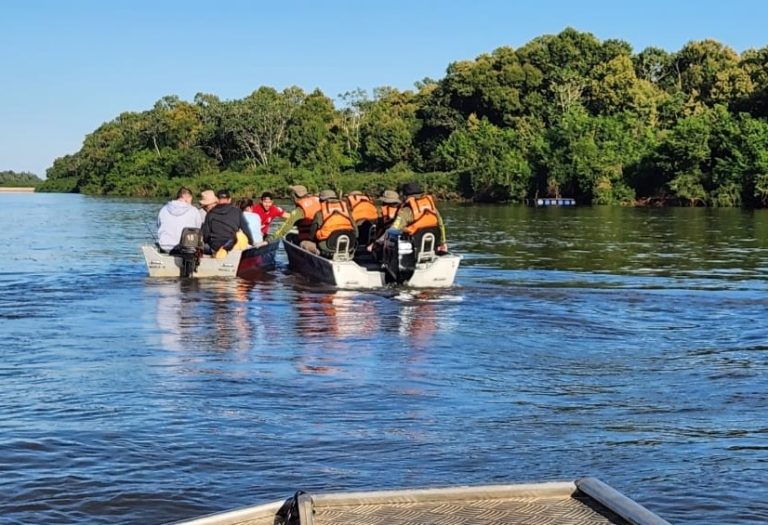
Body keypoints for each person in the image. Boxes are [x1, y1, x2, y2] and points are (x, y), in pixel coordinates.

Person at [368, 182, 447, 253]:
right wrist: (443, 243)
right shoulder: (432, 208)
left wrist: (376, 243)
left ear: (405, 196)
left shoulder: (406, 211)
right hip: (432, 245)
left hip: (412, 248)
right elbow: (441, 225)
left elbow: (393, 230)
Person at [303, 189, 358, 257]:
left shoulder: (319, 214)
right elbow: (356, 232)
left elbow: (311, 236)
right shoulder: (347, 212)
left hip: (327, 249)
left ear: (321, 201)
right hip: (348, 247)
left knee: (304, 244)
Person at [201, 189, 256, 253]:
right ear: (229, 199)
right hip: (232, 246)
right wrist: (251, 242)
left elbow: (205, 235)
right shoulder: (237, 212)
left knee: (201, 246)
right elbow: (246, 230)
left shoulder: (210, 213)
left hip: (215, 248)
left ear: (217, 200)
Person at [156, 186, 203, 253]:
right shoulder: (194, 210)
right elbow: (198, 228)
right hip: (186, 249)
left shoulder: (163, 209)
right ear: (187, 197)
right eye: (191, 199)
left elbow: (158, 225)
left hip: (165, 246)